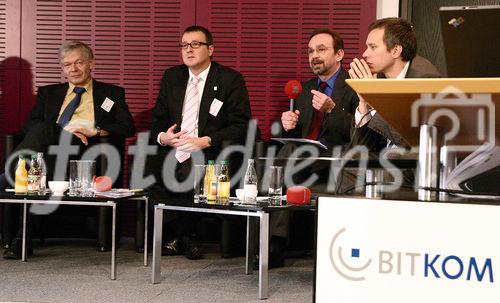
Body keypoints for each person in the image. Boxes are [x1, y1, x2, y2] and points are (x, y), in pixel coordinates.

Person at [3, 40, 135, 259]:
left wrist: (95, 129)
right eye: (67, 65)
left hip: (86, 152)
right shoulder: (49, 93)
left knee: (38, 168)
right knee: (43, 140)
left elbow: (126, 126)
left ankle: (11, 178)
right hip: (49, 151)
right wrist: (65, 130)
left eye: (79, 62)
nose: (72, 69)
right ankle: (21, 237)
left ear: (91, 63)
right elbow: (29, 127)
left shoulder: (111, 93)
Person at [148, 25, 252, 259]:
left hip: (210, 149)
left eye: (196, 44)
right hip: (174, 147)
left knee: (191, 168)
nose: (189, 50)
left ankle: (183, 237)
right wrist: (163, 137)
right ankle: (179, 236)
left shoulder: (229, 79)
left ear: (210, 49)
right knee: (151, 166)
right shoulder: (172, 77)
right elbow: (157, 121)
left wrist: (206, 140)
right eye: (184, 45)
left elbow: (241, 126)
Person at [268, 28, 359, 268]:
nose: (314, 56)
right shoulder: (304, 89)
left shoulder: (355, 87)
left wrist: (332, 109)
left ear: (339, 54)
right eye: (310, 51)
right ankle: (273, 238)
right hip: (304, 157)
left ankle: (273, 242)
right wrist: (288, 126)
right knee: (283, 153)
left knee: (282, 160)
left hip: (338, 157)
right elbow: (299, 134)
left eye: (321, 50)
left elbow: (359, 131)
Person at [348, 17, 442, 151]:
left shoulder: (425, 80)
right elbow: (358, 151)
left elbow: (413, 143)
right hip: (383, 163)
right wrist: (364, 102)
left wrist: (377, 100)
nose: (365, 54)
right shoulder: (378, 78)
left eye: (373, 47)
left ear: (395, 50)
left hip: (413, 166)